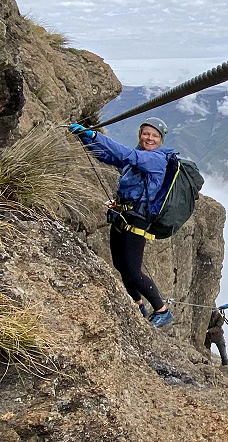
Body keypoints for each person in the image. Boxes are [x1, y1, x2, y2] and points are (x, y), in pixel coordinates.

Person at [67, 118, 176, 328]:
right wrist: (85, 140)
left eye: (154, 135)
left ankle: (162, 311)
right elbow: (109, 157)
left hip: (137, 219)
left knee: (133, 271)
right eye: (145, 133)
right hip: (122, 213)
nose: (149, 138)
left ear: (161, 140)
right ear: (140, 135)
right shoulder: (140, 156)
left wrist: (95, 135)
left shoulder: (156, 159)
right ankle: (137, 304)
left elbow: (126, 155)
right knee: (120, 265)